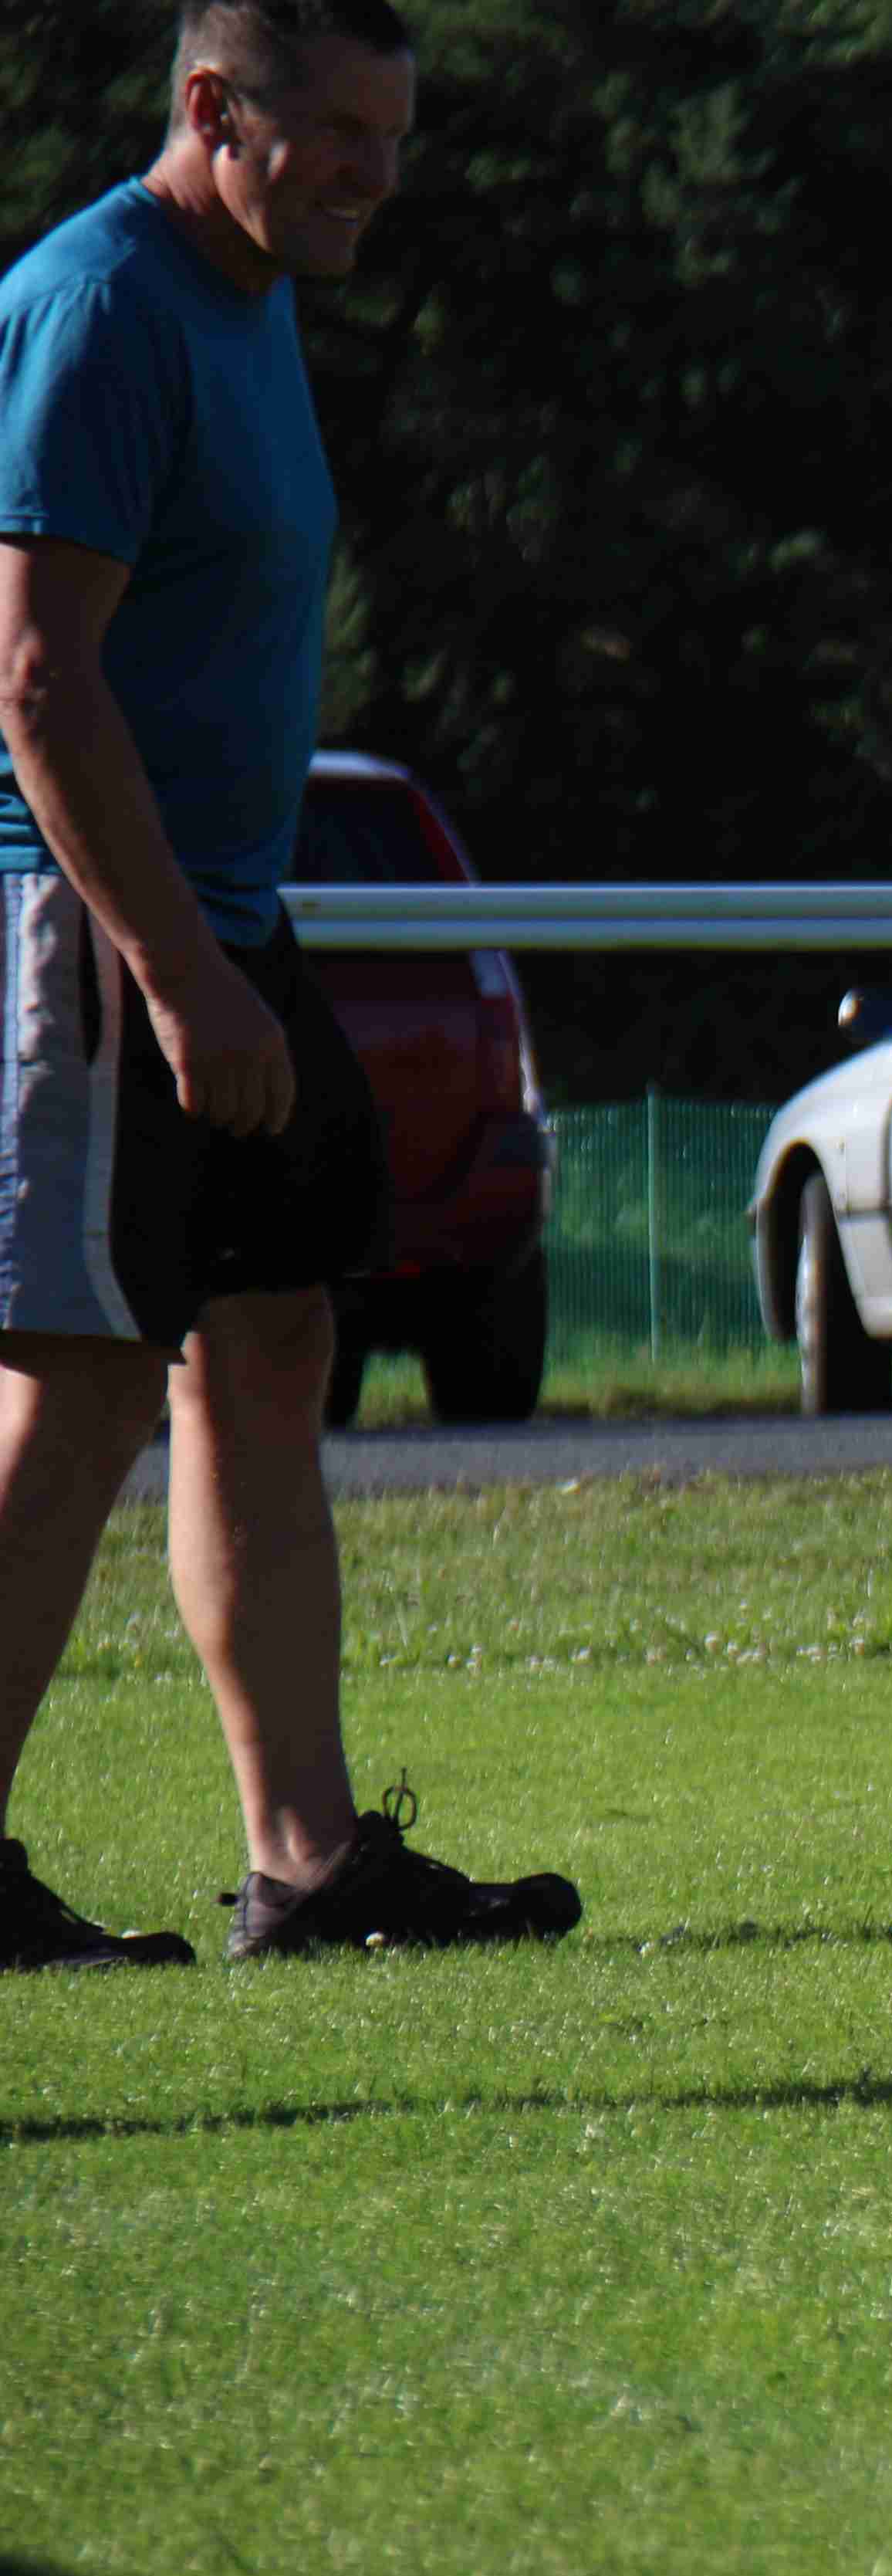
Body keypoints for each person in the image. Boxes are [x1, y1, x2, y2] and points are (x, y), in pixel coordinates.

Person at [0, 0, 577, 1972]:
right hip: (100, 928)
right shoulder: (100, 307)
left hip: (229, 920)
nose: (375, 177)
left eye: (395, 137)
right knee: (76, 1379)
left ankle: (311, 1866)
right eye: (335, 132)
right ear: (210, 106)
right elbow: (37, 682)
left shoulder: (244, 305)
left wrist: (224, 956)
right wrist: (176, 976)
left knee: (265, 1346)